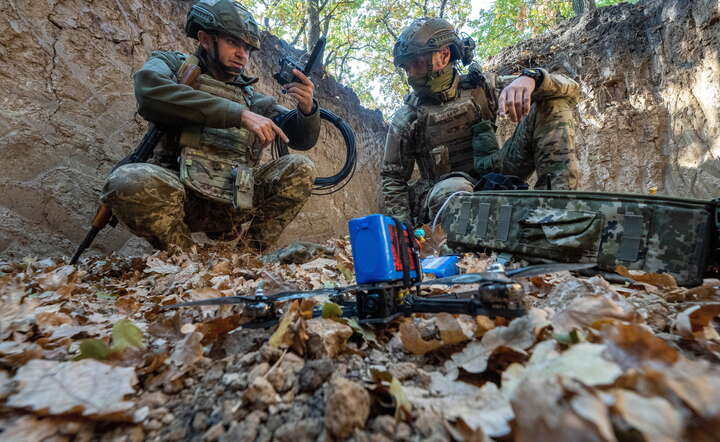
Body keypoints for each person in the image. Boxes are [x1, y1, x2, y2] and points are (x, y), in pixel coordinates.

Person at [102, 0, 320, 252]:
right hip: (181, 195)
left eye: (248, 48)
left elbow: (301, 139)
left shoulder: (254, 99)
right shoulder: (173, 65)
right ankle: (184, 259)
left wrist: (307, 110)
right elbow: (149, 91)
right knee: (128, 180)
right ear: (205, 39)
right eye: (233, 43)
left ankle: (248, 258)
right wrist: (239, 115)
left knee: (300, 168)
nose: (243, 54)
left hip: (236, 199)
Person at [381, 17, 580, 225]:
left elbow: (572, 89)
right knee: (454, 189)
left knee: (553, 103)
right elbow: (392, 178)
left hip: (493, 174)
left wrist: (532, 78)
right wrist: (403, 232)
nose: (411, 74)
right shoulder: (408, 117)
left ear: (444, 55)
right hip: (444, 192)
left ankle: (556, 218)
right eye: (406, 68)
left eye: (417, 63)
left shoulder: (481, 88)